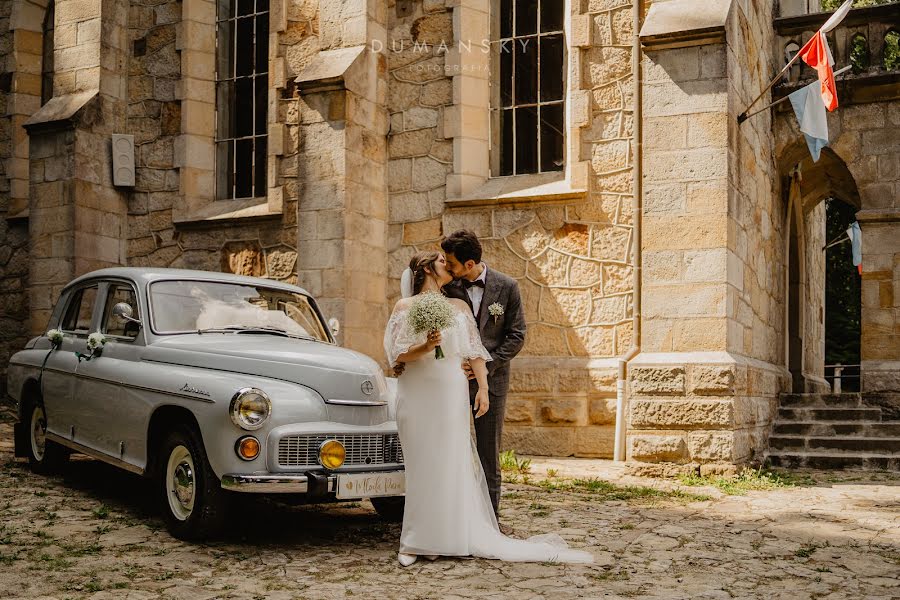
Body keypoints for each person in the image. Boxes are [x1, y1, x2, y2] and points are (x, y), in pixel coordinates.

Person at [384, 251, 593, 567]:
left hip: (450, 392)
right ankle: (415, 540)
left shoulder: (458, 306)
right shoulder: (404, 307)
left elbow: (474, 352)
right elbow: (396, 357)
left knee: (449, 463)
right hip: (417, 393)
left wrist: (482, 389)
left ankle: (445, 537)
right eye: (442, 262)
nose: (449, 265)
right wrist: (426, 347)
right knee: (421, 465)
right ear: (427, 268)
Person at [441, 230, 526, 525]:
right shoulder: (447, 288)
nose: (448, 267)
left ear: (470, 263)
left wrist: (484, 369)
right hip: (451, 381)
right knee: (450, 447)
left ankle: (489, 521)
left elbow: (516, 336)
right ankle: (456, 519)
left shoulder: (507, 286)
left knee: (488, 451)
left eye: (452, 262)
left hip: (494, 382)